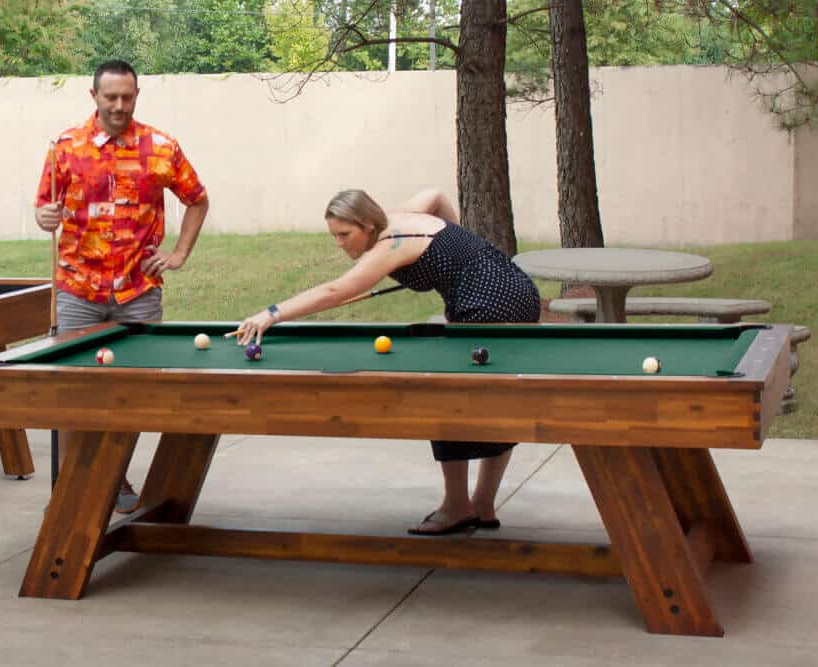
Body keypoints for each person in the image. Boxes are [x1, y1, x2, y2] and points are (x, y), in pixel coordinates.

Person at [234, 188, 540, 535]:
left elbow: (335, 292)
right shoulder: (400, 215)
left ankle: (458, 506)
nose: (340, 243)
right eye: (334, 235)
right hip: (516, 289)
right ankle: (482, 505)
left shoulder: (391, 243)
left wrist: (271, 314)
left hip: (488, 305)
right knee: (492, 401)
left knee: (447, 399)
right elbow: (436, 196)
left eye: (345, 235)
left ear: (367, 225)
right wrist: (461, 255)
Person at [34, 60, 210, 513]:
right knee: (75, 391)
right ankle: (76, 485)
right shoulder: (64, 147)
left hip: (138, 291)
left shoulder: (161, 147)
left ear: (136, 95)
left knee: (136, 393)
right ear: (93, 96)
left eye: (126, 97)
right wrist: (44, 218)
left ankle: (115, 477)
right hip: (78, 291)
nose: (118, 105)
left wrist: (179, 254)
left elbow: (197, 199)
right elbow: (43, 210)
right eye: (110, 97)